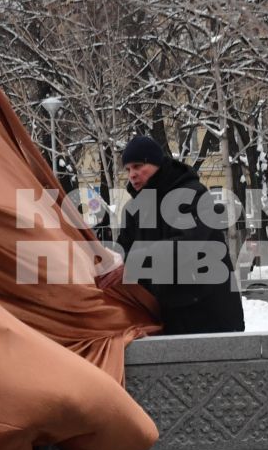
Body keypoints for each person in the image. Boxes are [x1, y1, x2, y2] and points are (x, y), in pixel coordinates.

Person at [104, 136, 245, 335]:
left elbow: (185, 247)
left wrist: (133, 261)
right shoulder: (134, 210)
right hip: (164, 316)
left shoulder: (193, 194)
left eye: (138, 166)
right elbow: (121, 253)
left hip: (208, 314)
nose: (132, 175)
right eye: (128, 169)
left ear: (157, 164)